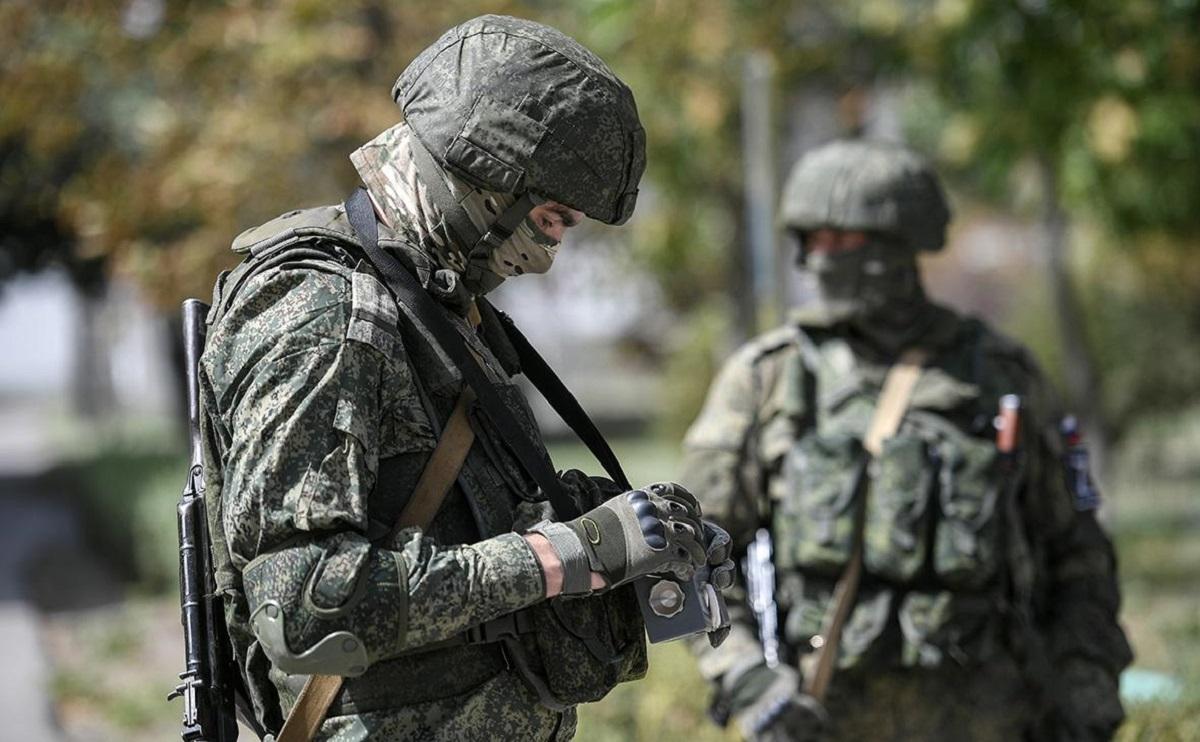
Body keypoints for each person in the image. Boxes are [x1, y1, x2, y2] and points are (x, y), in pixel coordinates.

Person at [198, 15, 732, 742]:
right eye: (550, 218)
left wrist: (638, 538)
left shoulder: (434, 310)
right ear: (486, 184)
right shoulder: (323, 309)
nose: (548, 254)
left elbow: (466, 522)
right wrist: (569, 555)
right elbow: (306, 607)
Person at [683, 140, 1132, 741]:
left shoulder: (1000, 376)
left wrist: (1085, 688)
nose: (821, 258)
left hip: (993, 722)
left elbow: (1078, 552)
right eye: (812, 241)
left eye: (842, 239)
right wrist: (747, 680)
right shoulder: (768, 379)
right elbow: (689, 556)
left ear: (900, 245)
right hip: (822, 721)